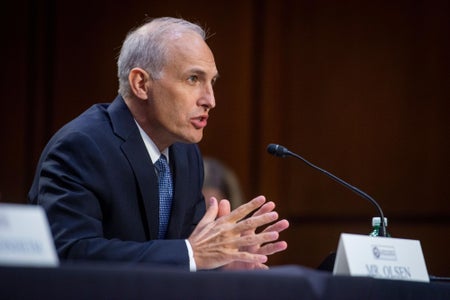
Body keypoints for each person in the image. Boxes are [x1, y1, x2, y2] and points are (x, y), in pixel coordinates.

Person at [28, 17, 289, 271]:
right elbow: (69, 254)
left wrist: (223, 263)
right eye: (193, 79)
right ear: (141, 84)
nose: (210, 100)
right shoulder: (81, 146)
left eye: (212, 81)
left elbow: (192, 254)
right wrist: (194, 255)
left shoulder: (186, 153)